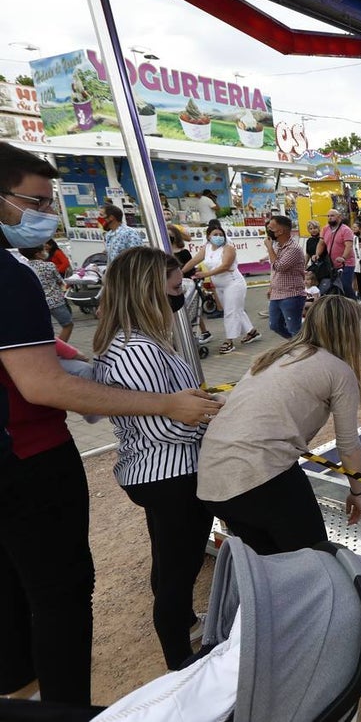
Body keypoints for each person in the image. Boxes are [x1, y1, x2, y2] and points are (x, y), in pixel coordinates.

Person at [0, 142, 221, 706]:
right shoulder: (13, 278)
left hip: (44, 458)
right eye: (36, 201)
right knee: (63, 593)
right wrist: (186, 411)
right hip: (41, 460)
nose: (47, 213)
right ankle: (86, 696)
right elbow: (46, 385)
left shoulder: (149, 340)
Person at [92, 247, 213, 671]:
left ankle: (181, 623)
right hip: (170, 471)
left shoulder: (140, 342)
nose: (183, 294)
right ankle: (181, 659)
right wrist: (210, 421)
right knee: (179, 570)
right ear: (147, 290)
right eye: (176, 287)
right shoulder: (137, 349)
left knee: (169, 558)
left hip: (161, 470)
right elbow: (162, 426)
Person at [196, 295, 361, 555]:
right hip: (261, 474)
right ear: (351, 330)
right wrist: (357, 491)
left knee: (270, 565)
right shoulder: (339, 372)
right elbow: (348, 445)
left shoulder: (275, 355)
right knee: (314, 557)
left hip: (212, 480)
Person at [182, 226, 260, 354]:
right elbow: (194, 260)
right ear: (208, 237)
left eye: (220, 234)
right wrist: (180, 272)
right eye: (215, 234)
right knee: (236, 310)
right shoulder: (206, 248)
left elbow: (225, 266)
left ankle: (229, 341)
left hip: (234, 284)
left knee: (230, 312)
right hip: (220, 286)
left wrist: (206, 274)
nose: (218, 236)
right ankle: (252, 332)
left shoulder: (228, 248)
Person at [265, 214, 307, 338]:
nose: (268, 231)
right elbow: (274, 270)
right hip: (276, 294)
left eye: (271, 228)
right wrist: (271, 287)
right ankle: (297, 345)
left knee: (294, 329)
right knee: (275, 325)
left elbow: (279, 266)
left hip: (291, 295)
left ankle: (302, 348)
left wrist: (268, 248)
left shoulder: (293, 249)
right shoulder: (277, 246)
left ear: (280, 231)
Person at [20, 245, 73, 343]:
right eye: (43, 250)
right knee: (67, 325)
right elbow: (59, 281)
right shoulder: (49, 265)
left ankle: (51, 347)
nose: (46, 251)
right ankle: (61, 348)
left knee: (46, 329)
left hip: (38, 303)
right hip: (55, 301)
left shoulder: (23, 267)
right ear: (38, 254)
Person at [322, 209, 356, 295]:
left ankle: (352, 305)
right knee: (334, 286)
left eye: (332, 216)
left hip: (346, 263)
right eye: (328, 216)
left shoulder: (346, 230)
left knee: (345, 286)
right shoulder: (325, 229)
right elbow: (321, 243)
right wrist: (317, 254)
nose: (330, 218)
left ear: (339, 217)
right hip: (332, 263)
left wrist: (343, 257)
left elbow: (349, 245)